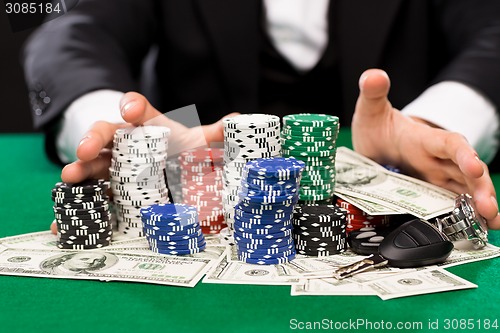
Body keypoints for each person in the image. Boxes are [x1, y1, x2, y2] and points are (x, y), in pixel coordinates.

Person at [22, 0, 500, 229]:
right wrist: (120, 132)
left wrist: (433, 122)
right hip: (196, 169)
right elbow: (69, 34)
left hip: (386, 156)